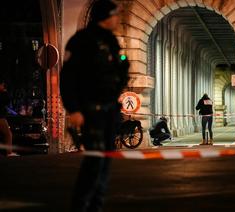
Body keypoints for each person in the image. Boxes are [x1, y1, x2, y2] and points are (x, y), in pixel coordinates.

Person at [59, 0, 129, 211]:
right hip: (91, 112)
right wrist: (74, 109)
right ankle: (80, 206)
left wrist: (123, 70)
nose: (118, 19)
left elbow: (116, 75)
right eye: (115, 15)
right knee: (94, 162)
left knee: (106, 162)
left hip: (109, 111)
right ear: (106, 16)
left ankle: (96, 206)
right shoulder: (82, 41)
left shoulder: (111, 42)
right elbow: (68, 78)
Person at [0, 78, 17, 157]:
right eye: (2, 85)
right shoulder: (2, 94)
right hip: (0, 117)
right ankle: (9, 152)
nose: (3, 86)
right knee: (8, 134)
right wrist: (5, 91)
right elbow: (6, 100)